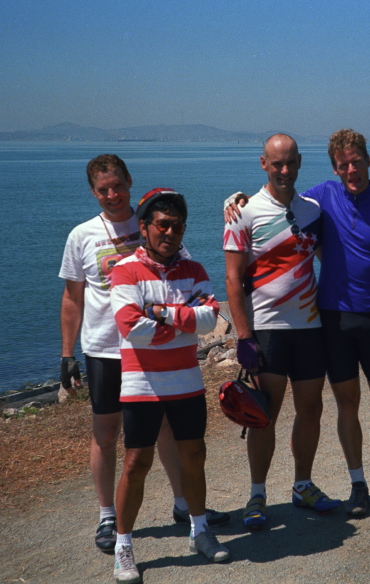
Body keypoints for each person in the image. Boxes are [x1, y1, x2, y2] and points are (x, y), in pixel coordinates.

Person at [228, 129, 370, 515]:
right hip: (328, 319)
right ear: (334, 168)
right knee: (335, 406)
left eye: (357, 161)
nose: (351, 170)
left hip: (365, 320)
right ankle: (352, 486)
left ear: (368, 160)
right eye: (343, 164)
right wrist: (235, 200)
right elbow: (277, 200)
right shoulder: (319, 198)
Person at [59, 156, 228, 559]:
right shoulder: (82, 235)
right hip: (104, 346)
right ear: (94, 192)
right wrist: (67, 354)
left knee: (170, 431)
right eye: (103, 189)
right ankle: (107, 517)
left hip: (161, 349)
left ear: (129, 183)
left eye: (117, 185)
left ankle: (184, 505)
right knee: (108, 435)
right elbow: (72, 296)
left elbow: (198, 297)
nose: (112, 194)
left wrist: (163, 316)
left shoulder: (158, 224)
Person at [110, 188, 230, 583]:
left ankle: (199, 531)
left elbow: (212, 320)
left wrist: (159, 312)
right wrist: (184, 321)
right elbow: (132, 328)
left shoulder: (193, 269)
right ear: (144, 227)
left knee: (193, 456)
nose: (170, 232)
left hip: (185, 380)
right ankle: (123, 546)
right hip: (142, 382)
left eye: (177, 226)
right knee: (136, 463)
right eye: (162, 224)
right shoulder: (125, 270)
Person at [223, 133, 341, 530]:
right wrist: (243, 337)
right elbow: (233, 279)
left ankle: (302, 485)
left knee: (311, 409)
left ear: (300, 161)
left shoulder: (312, 210)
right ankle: (256, 495)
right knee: (264, 416)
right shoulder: (242, 213)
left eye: (291, 162)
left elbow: (333, 255)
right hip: (268, 330)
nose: (285, 170)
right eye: (277, 164)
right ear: (263, 164)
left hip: (309, 327)